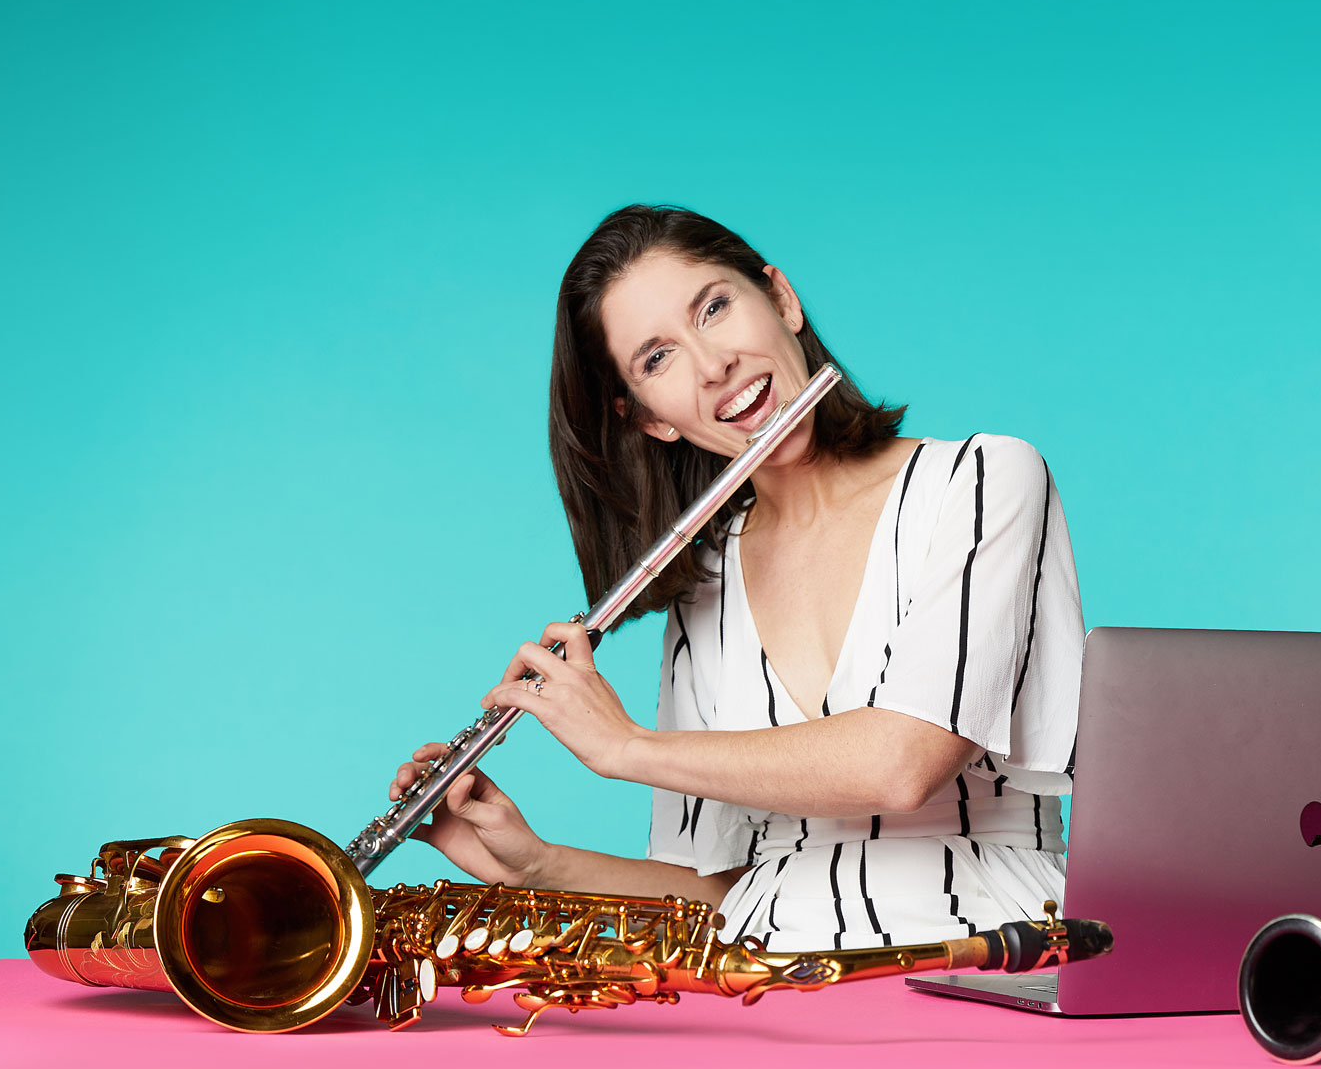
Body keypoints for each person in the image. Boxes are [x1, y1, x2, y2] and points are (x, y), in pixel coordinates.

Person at [389, 206, 1084, 949]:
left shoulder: (983, 480)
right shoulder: (704, 578)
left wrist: (625, 747)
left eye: (714, 308)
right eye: (658, 359)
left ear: (780, 299)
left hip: (985, 948)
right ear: (648, 418)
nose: (712, 364)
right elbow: (723, 891)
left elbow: (902, 764)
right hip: (765, 981)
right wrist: (537, 865)